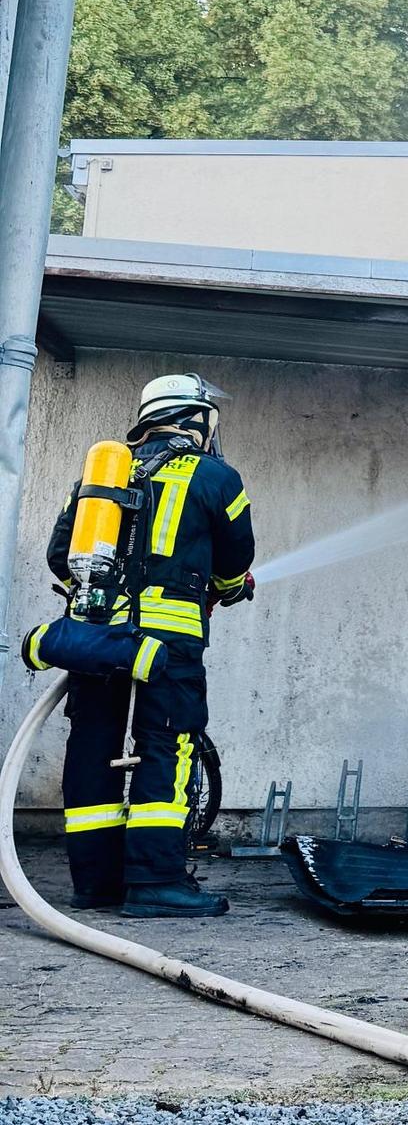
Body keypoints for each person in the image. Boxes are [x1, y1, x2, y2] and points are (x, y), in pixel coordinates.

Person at [29, 373, 255, 915]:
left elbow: (62, 557)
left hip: (96, 636)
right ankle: (155, 883)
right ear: (196, 419)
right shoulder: (216, 477)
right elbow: (235, 559)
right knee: (167, 745)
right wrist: (227, 590)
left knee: (93, 747)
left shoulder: (101, 474)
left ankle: (95, 884)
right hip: (168, 639)